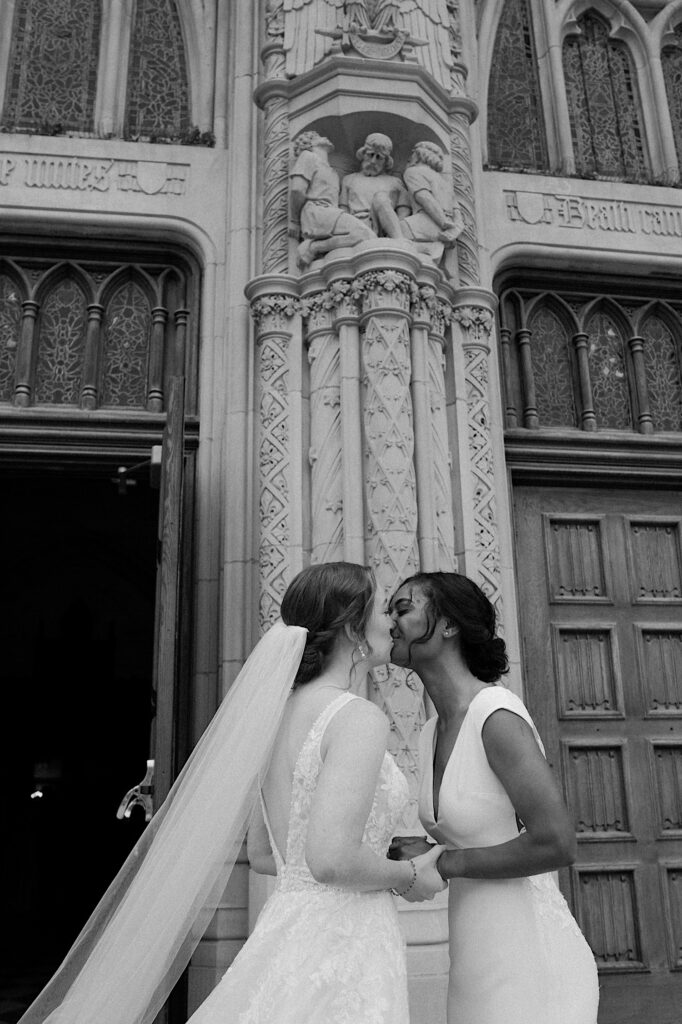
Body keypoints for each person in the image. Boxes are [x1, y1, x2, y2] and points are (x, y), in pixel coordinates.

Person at [20, 562, 444, 1024]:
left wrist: (373, 851)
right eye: (381, 608)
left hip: (288, 928)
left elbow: (266, 854)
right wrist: (407, 874)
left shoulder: (276, 718)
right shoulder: (357, 718)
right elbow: (330, 860)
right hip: (345, 937)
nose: (390, 621)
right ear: (350, 624)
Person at [388, 571, 599, 1024]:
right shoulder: (430, 733)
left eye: (403, 609)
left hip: (527, 954)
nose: (390, 622)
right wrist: (415, 851)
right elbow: (480, 829)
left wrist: (444, 863)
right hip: (474, 954)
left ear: (449, 625)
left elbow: (558, 842)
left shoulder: (496, 715)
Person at [289, 131, 373, 269]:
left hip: (329, 212)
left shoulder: (330, 169)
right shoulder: (308, 156)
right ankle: (314, 247)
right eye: (317, 136)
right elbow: (297, 189)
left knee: (366, 236)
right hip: (316, 211)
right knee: (364, 234)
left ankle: (317, 247)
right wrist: (295, 222)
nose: (325, 137)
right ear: (309, 143)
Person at [399, 141, 464, 278]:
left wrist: (444, 224)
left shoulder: (412, 172)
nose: (410, 158)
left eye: (412, 154)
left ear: (419, 155)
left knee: (395, 234)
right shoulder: (443, 181)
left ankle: (430, 250)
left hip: (429, 221)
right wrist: (455, 230)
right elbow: (457, 213)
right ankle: (434, 252)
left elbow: (425, 198)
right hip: (446, 225)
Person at [339, 132, 411, 240]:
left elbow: (404, 212)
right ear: (363, 154)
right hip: (356, 226)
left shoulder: (395, 182)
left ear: (386, 161)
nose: (373, 161)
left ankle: (399, 240)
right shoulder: (349, 179)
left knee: (380, 198)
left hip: (384, 230)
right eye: (370, 155)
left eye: (379, 157)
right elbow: (343, 210)